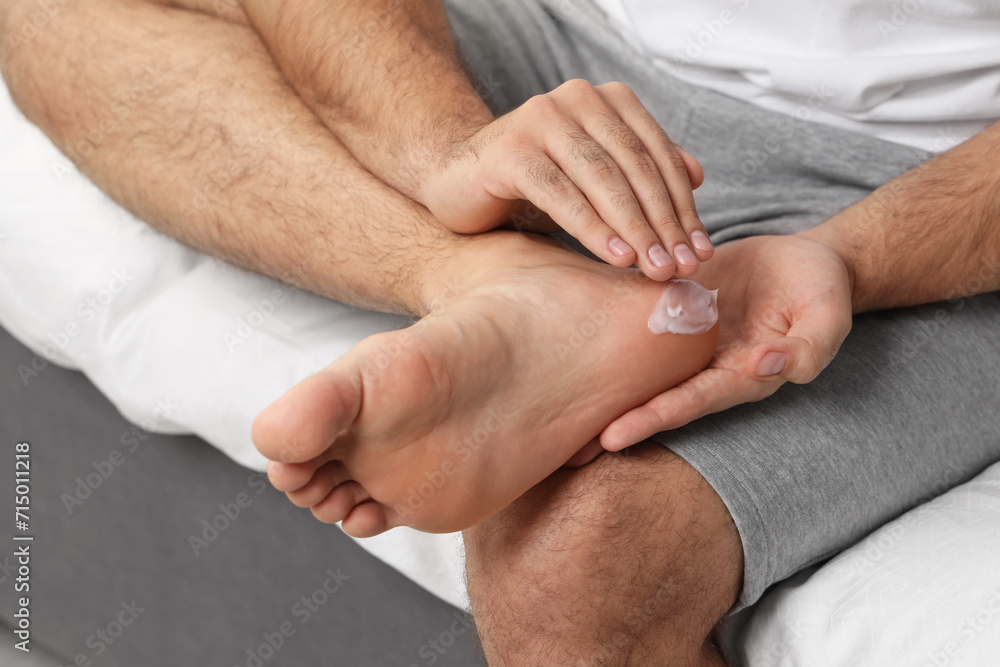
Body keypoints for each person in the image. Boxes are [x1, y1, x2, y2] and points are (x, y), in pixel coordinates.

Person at [2, 0, 998, 664]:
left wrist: (850, 258)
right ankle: (504, 280)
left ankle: (533, 287)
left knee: (575, 564)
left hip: (915, 172)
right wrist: (442, 146)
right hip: (572, 43)